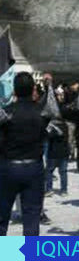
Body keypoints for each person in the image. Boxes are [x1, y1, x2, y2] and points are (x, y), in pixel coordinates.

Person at [0, 72, 49, 236]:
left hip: (8, 167)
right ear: (33, 89)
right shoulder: (41, 112)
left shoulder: (6, 113)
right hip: (34, 167)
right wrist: (48, 87)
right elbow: (53, 110)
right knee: (32, 219)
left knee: (2, 217)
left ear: (14, 90)